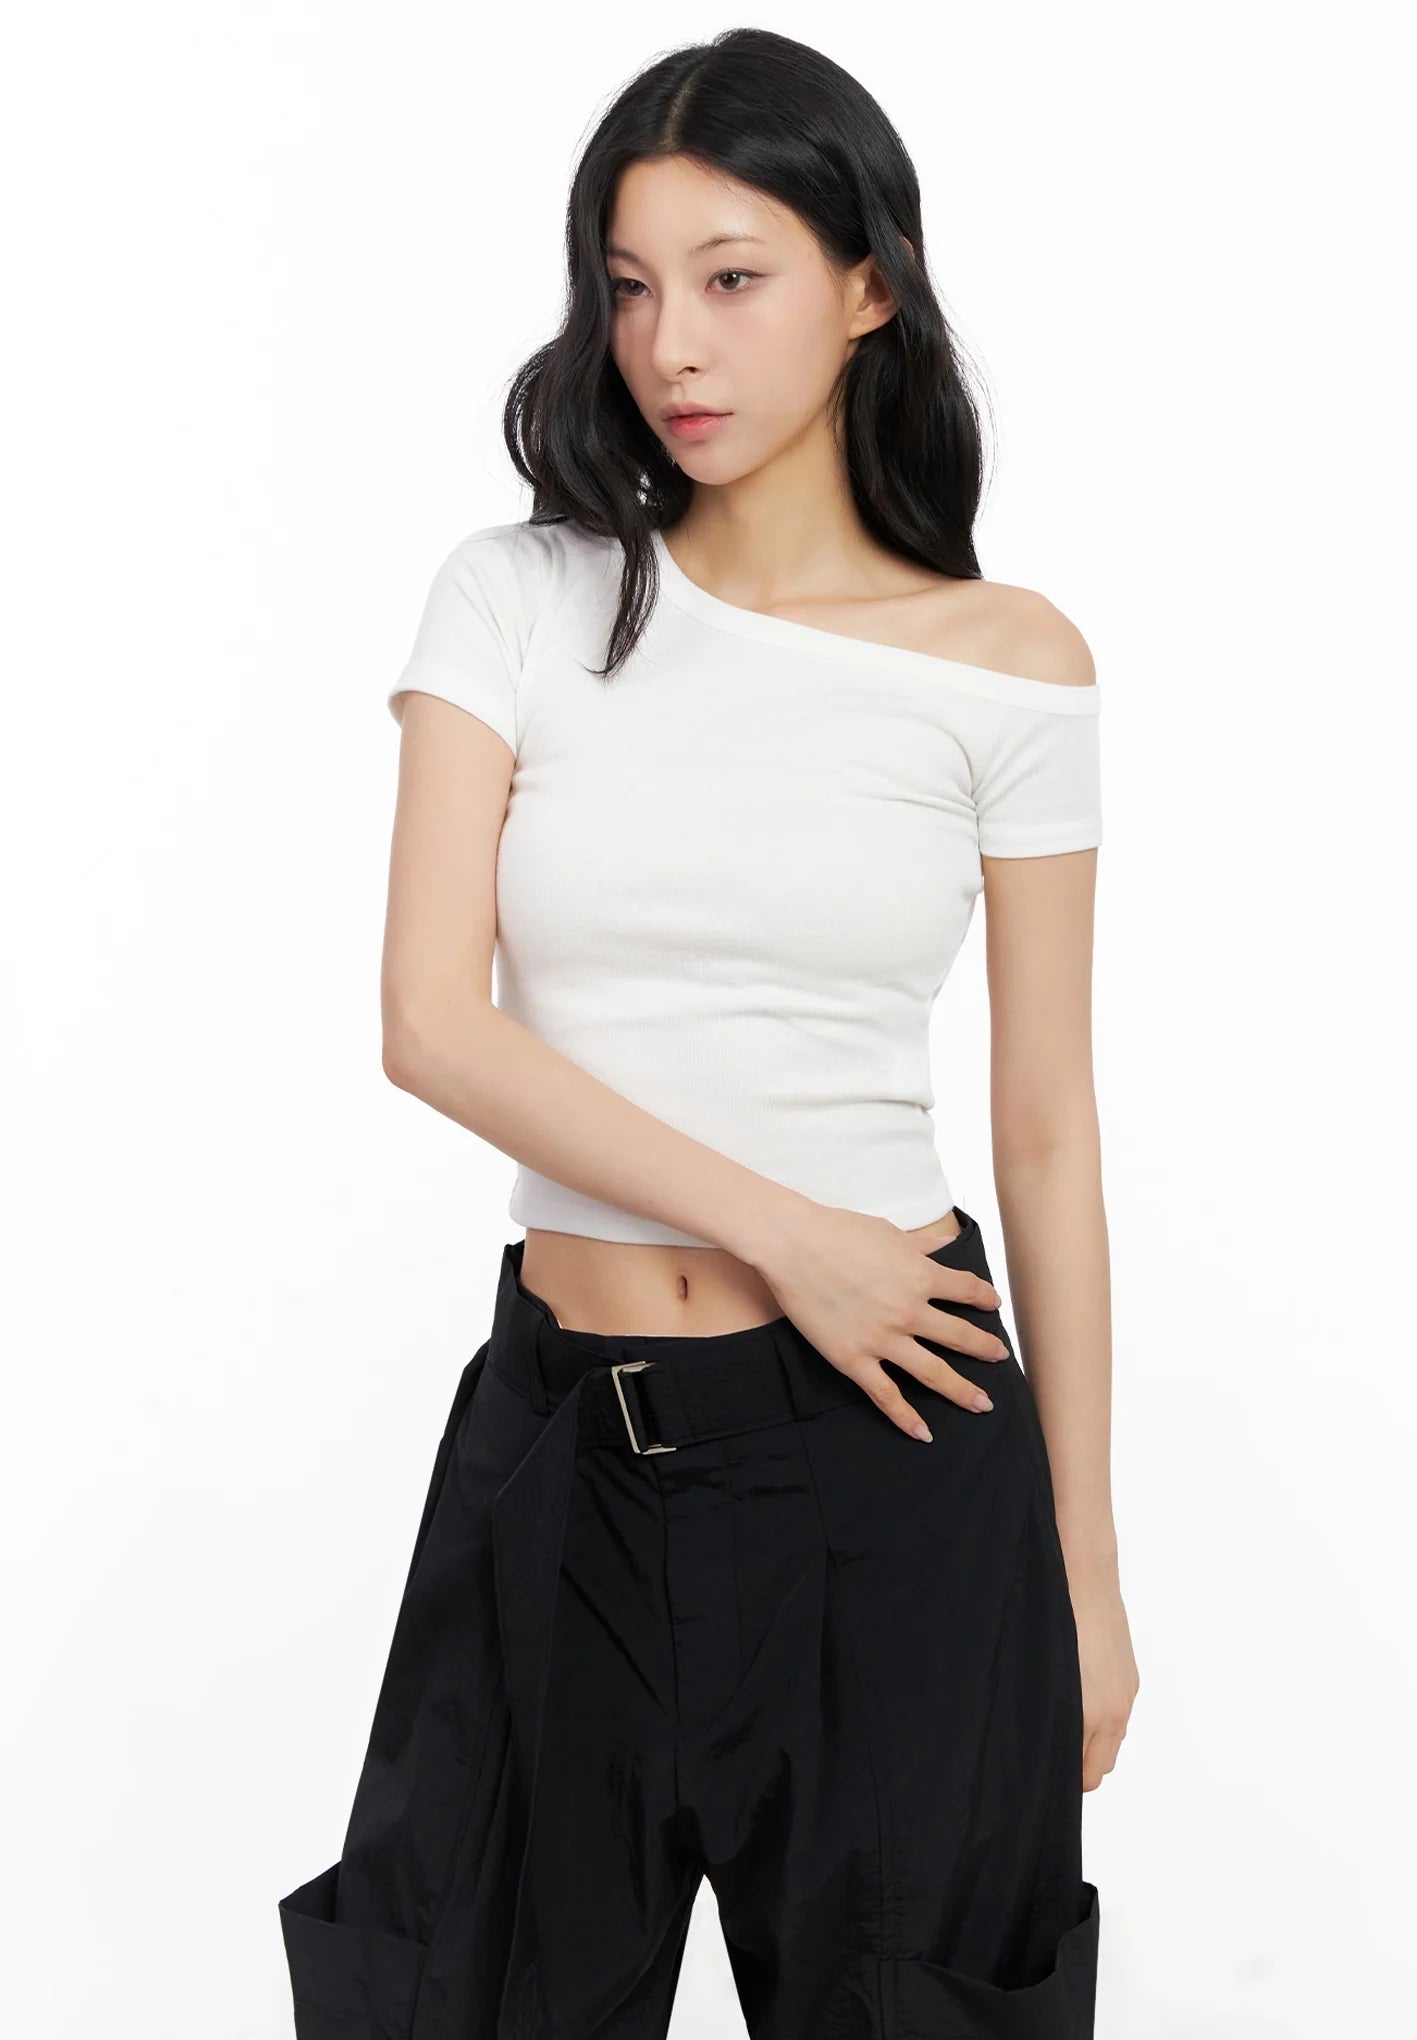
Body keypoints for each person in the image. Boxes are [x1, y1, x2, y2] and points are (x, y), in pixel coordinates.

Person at [277, 26, 1137, 2040]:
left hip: (896, 1454)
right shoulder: (521, 597)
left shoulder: (1008, 667)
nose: (674, 342)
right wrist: (794, 1237)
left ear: (871, 287)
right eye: (631, 283)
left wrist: (1085, 1571)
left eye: (734, 277)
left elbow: (1047, 1131)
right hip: (559, 1455)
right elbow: (430, 1021)